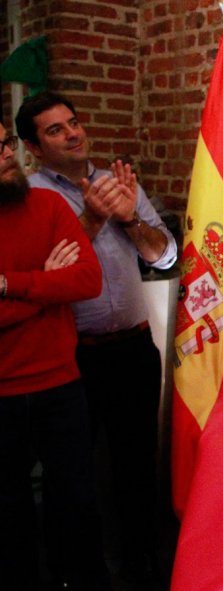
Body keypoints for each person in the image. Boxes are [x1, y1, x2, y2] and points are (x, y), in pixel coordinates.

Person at [16, 91, 178, 583]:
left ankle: (142, 562)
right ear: (33, 149)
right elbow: (40, 272)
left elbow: (165, 257)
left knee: (136, 464)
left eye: (74, 122)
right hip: (71, 358)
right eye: (56, 130)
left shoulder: (116, 184)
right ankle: (79, 574)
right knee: (73, 477)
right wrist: (92, 219)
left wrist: (128, 218)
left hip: (133, 347)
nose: (73, 133)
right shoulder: (29, 196)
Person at [0, 122, 111, 590]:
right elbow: (63, 286)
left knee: (76, 504)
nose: (6, 154)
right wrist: (47, 285)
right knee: (8, 515)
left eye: (5, 142)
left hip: (60, 385)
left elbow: (88, 281)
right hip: (2, 395)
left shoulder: (47, 205)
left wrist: (12, 284)